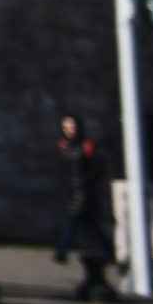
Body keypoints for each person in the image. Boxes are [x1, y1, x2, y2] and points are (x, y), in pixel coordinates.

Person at [54, 113, 111, 265]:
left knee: (72, 220)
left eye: (72, 126)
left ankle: (61, 251)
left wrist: (85, 180)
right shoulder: (62, 146)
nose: (69, 130)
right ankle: (108, 251)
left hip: (85, 190)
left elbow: (98, 168)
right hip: (71, 190)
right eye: (66, 127)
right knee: (92, 225)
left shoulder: (87, 145)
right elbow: (62, 170)